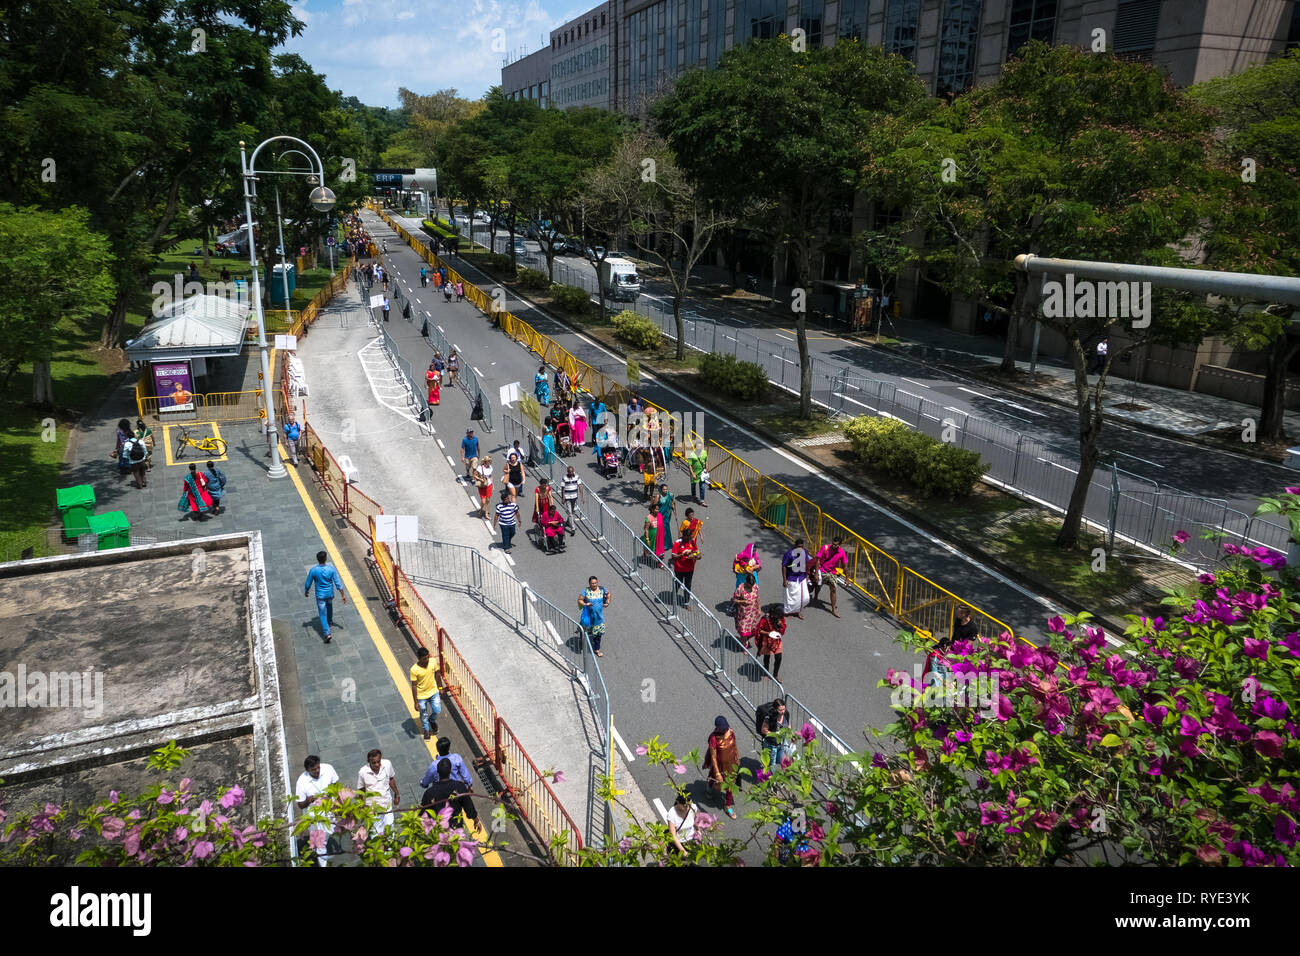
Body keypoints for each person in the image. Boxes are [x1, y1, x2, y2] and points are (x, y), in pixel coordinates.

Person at [295, 755, 341, 866]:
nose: (317, 771)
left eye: (318, 767)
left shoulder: (328, 769)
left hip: (330, 810)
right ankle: (323, 862)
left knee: (330, 832)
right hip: (315, 816)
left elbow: (336, 786)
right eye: (313, 770)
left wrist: (337, 804)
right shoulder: (302, 782)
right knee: (320, 843)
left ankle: (321, 848)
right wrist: (309, 800)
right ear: (307, 770)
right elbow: (301, 805)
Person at [304, 549, 347, 643]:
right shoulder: (331, 569)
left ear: (317, 559)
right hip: (330, 594)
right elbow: (338, 583)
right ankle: (330, 621)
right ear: (326, 558)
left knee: (322, 614)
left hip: (320, 596)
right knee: (330, 606)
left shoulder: (313, 570)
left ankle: (327, 633)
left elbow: (308, 583)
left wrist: (306, 591)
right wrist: (343, 595)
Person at [420, 758, 478, 827]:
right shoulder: (459, 787)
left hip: (438, 830)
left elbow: (423, 813)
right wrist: (476, 820)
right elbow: (469, 807)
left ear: (438, 771)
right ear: (450, 771)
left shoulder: (429, 793)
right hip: (456, 828)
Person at [357, 749, 399, 835]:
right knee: (376, 834)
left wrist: (396, 794)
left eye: (378, 762)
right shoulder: (363, 772)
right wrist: (362, 805)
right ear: (369, 761)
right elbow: (361, 790)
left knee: (390, 832)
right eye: (374, 763)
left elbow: (391, 779)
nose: (377, 765)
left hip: (386, 804)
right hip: (372, 809)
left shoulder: (387, 764)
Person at [705, 716, 740, 818]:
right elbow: (713, 757)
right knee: (714, 777)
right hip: (719, 766)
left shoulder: (731, 732)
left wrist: (737, 756)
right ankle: (709, 788)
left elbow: (734, 745)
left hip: (731, 764)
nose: (725, 729)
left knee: (730, 784)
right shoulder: (713, 738)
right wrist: (717, 773)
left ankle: (727, 805)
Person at [810, 536, 849, 618]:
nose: (834, 546)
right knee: (818, 586)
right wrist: (816, 573)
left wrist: (847, 578)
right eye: (833, 544)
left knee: (833, 589)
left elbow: (845, 566)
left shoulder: (841, 553)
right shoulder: (825, 548)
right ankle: (816, 596)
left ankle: (833, 609)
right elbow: (818, 560)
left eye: (836, 545)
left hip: (832, 572)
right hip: (822, 570)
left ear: (840, 545)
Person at [410, 645, 442, 740]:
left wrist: (440, 687)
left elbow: (437, 674)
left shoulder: (433, 662)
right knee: (423, 713)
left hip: (433, 692)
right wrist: (415, 702)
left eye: (427, 657)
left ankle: (432, 720)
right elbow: (414, 686)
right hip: (421, 696)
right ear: (419, 658)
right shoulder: (414, 670)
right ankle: (426, 729)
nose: (427, 660)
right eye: (424, 659)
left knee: (437, 710)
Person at [578, 575, 611, 657]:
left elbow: (608, 594)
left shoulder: (602, 590)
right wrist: (585, 604)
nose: (594, 584)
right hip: (588, 617)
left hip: (598, 618)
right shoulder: (586, 591)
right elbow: (580, 600)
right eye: (592, 583)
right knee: (584, 630)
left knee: (598, 635)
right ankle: (581, 641)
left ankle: (596, 649)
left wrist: (607, 602)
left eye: (596, 583)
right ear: (589, 584)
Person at [756, 698, 791, 771]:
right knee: (772, 765)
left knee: (782, 761)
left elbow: (788, 725)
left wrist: (789, 731)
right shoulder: (769, 718)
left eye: (784, 709)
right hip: (771, 745)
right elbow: (764, 730)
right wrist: (775, 734)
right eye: (780, 710)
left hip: (781, 743)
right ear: (775, 709)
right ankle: (772, 780)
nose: (783, 712)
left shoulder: (786, 714)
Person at [781, 538, 812, 619]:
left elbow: (807, 563)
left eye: (801, 547)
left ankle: (798, 610)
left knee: (805, 597)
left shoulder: (804, 552)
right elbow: (784, 566)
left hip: (802, 577)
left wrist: (807, 575)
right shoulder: (789, 554)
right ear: (795, 546)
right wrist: (784, 580)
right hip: (791, 577)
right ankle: (790, 612)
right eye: (798, 546)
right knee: (791, 597)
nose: (800, 548)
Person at [670, 527, 700, 606]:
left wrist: (696, 556)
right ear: (684, 536)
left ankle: (686, 603)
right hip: (679, 569)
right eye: (689, 537)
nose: (690, 538)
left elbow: (696, 552)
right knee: (678, 584)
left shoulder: (692, 541)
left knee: (688, 585)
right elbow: (673, 557)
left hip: (690, 569)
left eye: (691, 537)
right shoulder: (677, 543)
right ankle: (673, 598)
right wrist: (682, 554)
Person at [757, 605, 787, 681]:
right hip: (767, 640)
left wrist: (781, 626)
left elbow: (782, 631)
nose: (779, 617)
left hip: (776, 641)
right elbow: (759, 630)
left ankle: (775, 675)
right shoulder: (765, 619)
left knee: (779, 657)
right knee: (767, 657)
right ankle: (766, 672)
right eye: (777, 615)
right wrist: (768, 633)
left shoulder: (780, 619)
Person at [732, 572, 761, 649]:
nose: (751, 587)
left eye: (752, 585)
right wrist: (741, 601)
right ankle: (745, 645)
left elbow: (757, 598)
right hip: (743, 614)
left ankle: (745, 640)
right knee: (744, 632)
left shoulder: (755, 587)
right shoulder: (740, 588)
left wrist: (759, 608)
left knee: (753, 631)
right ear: (746, 582)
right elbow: (734, 599)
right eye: (750, 585)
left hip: (753, 613)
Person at [667, 792, 697, 857]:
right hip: (679, 843)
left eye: (689, 805)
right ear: (678, 802)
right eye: (685, 806)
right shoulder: (672, 814)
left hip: (691, 840)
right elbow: (673, 836)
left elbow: (695, 820)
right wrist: (683, 851)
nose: (687, 808)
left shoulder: (693, 807)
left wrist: (698, 831)